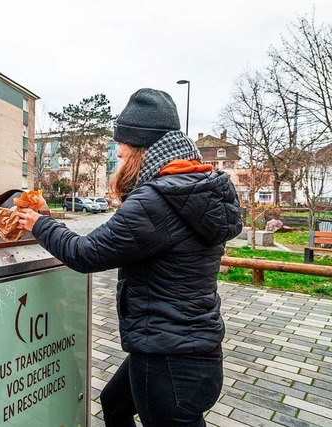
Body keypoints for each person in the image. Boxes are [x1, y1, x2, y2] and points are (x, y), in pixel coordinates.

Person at [16, 88, 242, 427]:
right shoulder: (196, 187)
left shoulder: (156, 201)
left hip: (168, 361)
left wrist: (39, 224)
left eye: (122, 155)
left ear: (140, 151)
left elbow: (86, 253)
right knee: (114, 403)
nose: (119, 163)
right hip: (193, 349)